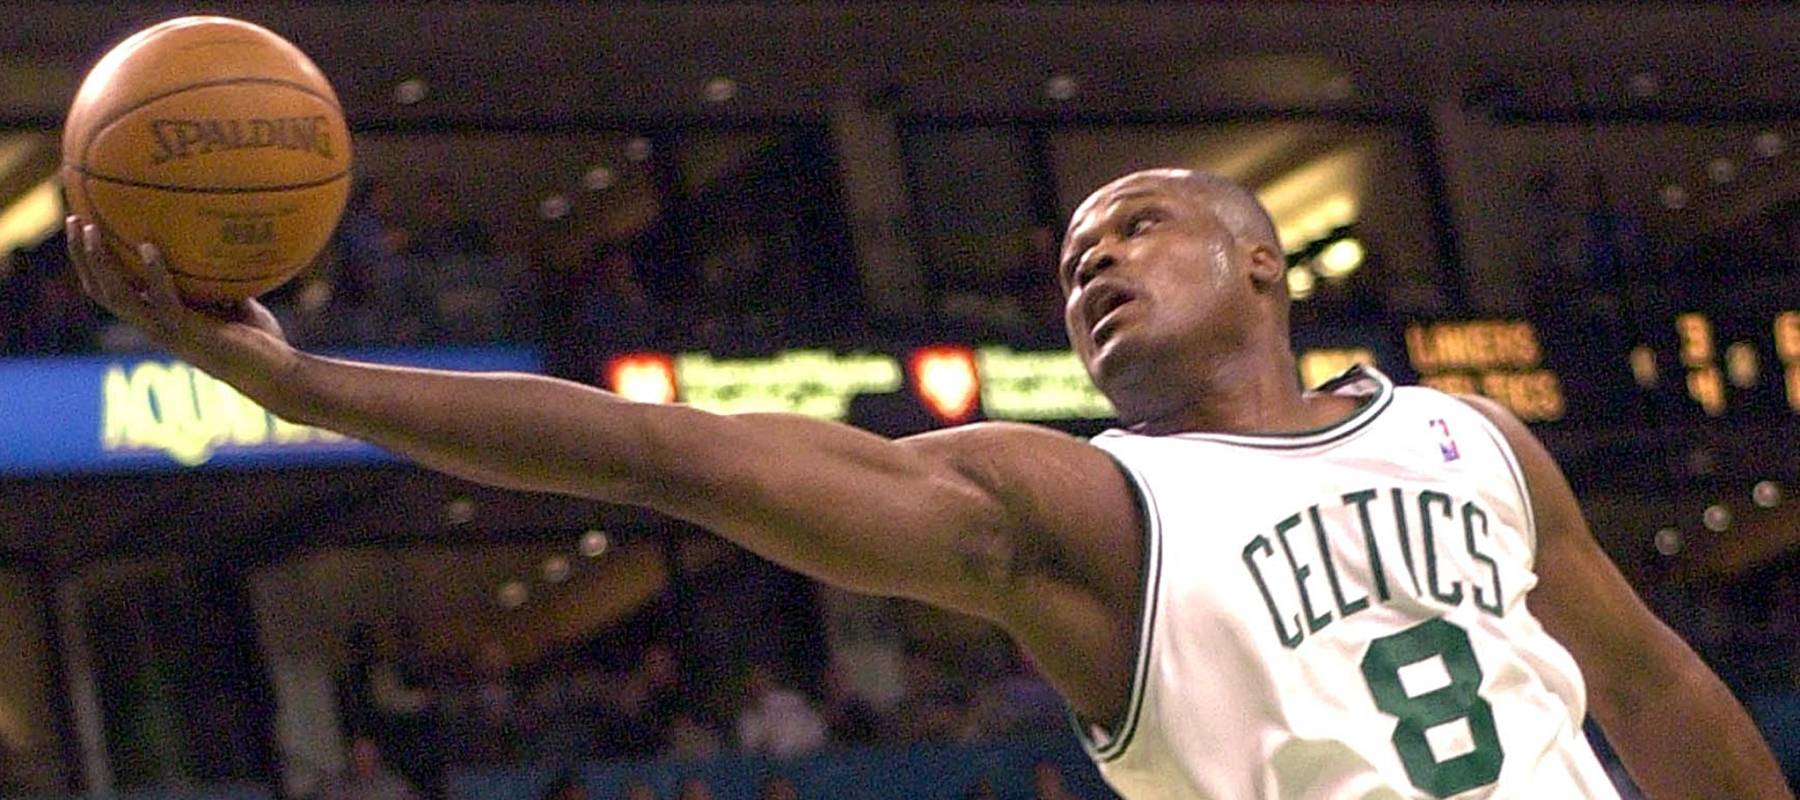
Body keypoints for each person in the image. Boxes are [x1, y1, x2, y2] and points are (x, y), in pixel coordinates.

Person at [66, 166, 1790, 798]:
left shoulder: (1469, 437)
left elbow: (1652, 685)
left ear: (1265, 265)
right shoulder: (1077, 513)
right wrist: (300, 384)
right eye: (1064, 258)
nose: (1091, 265)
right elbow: (681, 456)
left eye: (1135, 227)